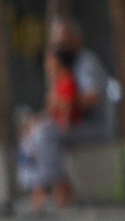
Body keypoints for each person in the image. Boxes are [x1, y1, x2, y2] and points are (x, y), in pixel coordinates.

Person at [17, 45, 82, 211]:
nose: (47, 63)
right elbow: (50, 111)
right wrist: (34, 122)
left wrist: (55, 103)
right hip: (53, 124)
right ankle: (37, 185)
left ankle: (52, 186)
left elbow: (67, 106)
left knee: (41, 138)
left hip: (65, 126)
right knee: (28, 137)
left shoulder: (68, 79)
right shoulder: (56, 82)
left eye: (50, 59)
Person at [47, 17, 114, 141]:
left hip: (95, 125)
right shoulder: (66, 67)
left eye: (64, 41)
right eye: (58, 43)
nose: (61, 46)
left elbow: (93, 98)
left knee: (45, 135)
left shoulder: (86, 62)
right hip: (77, 124)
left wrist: (66, 103)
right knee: (35, 130)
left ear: (77, 38)